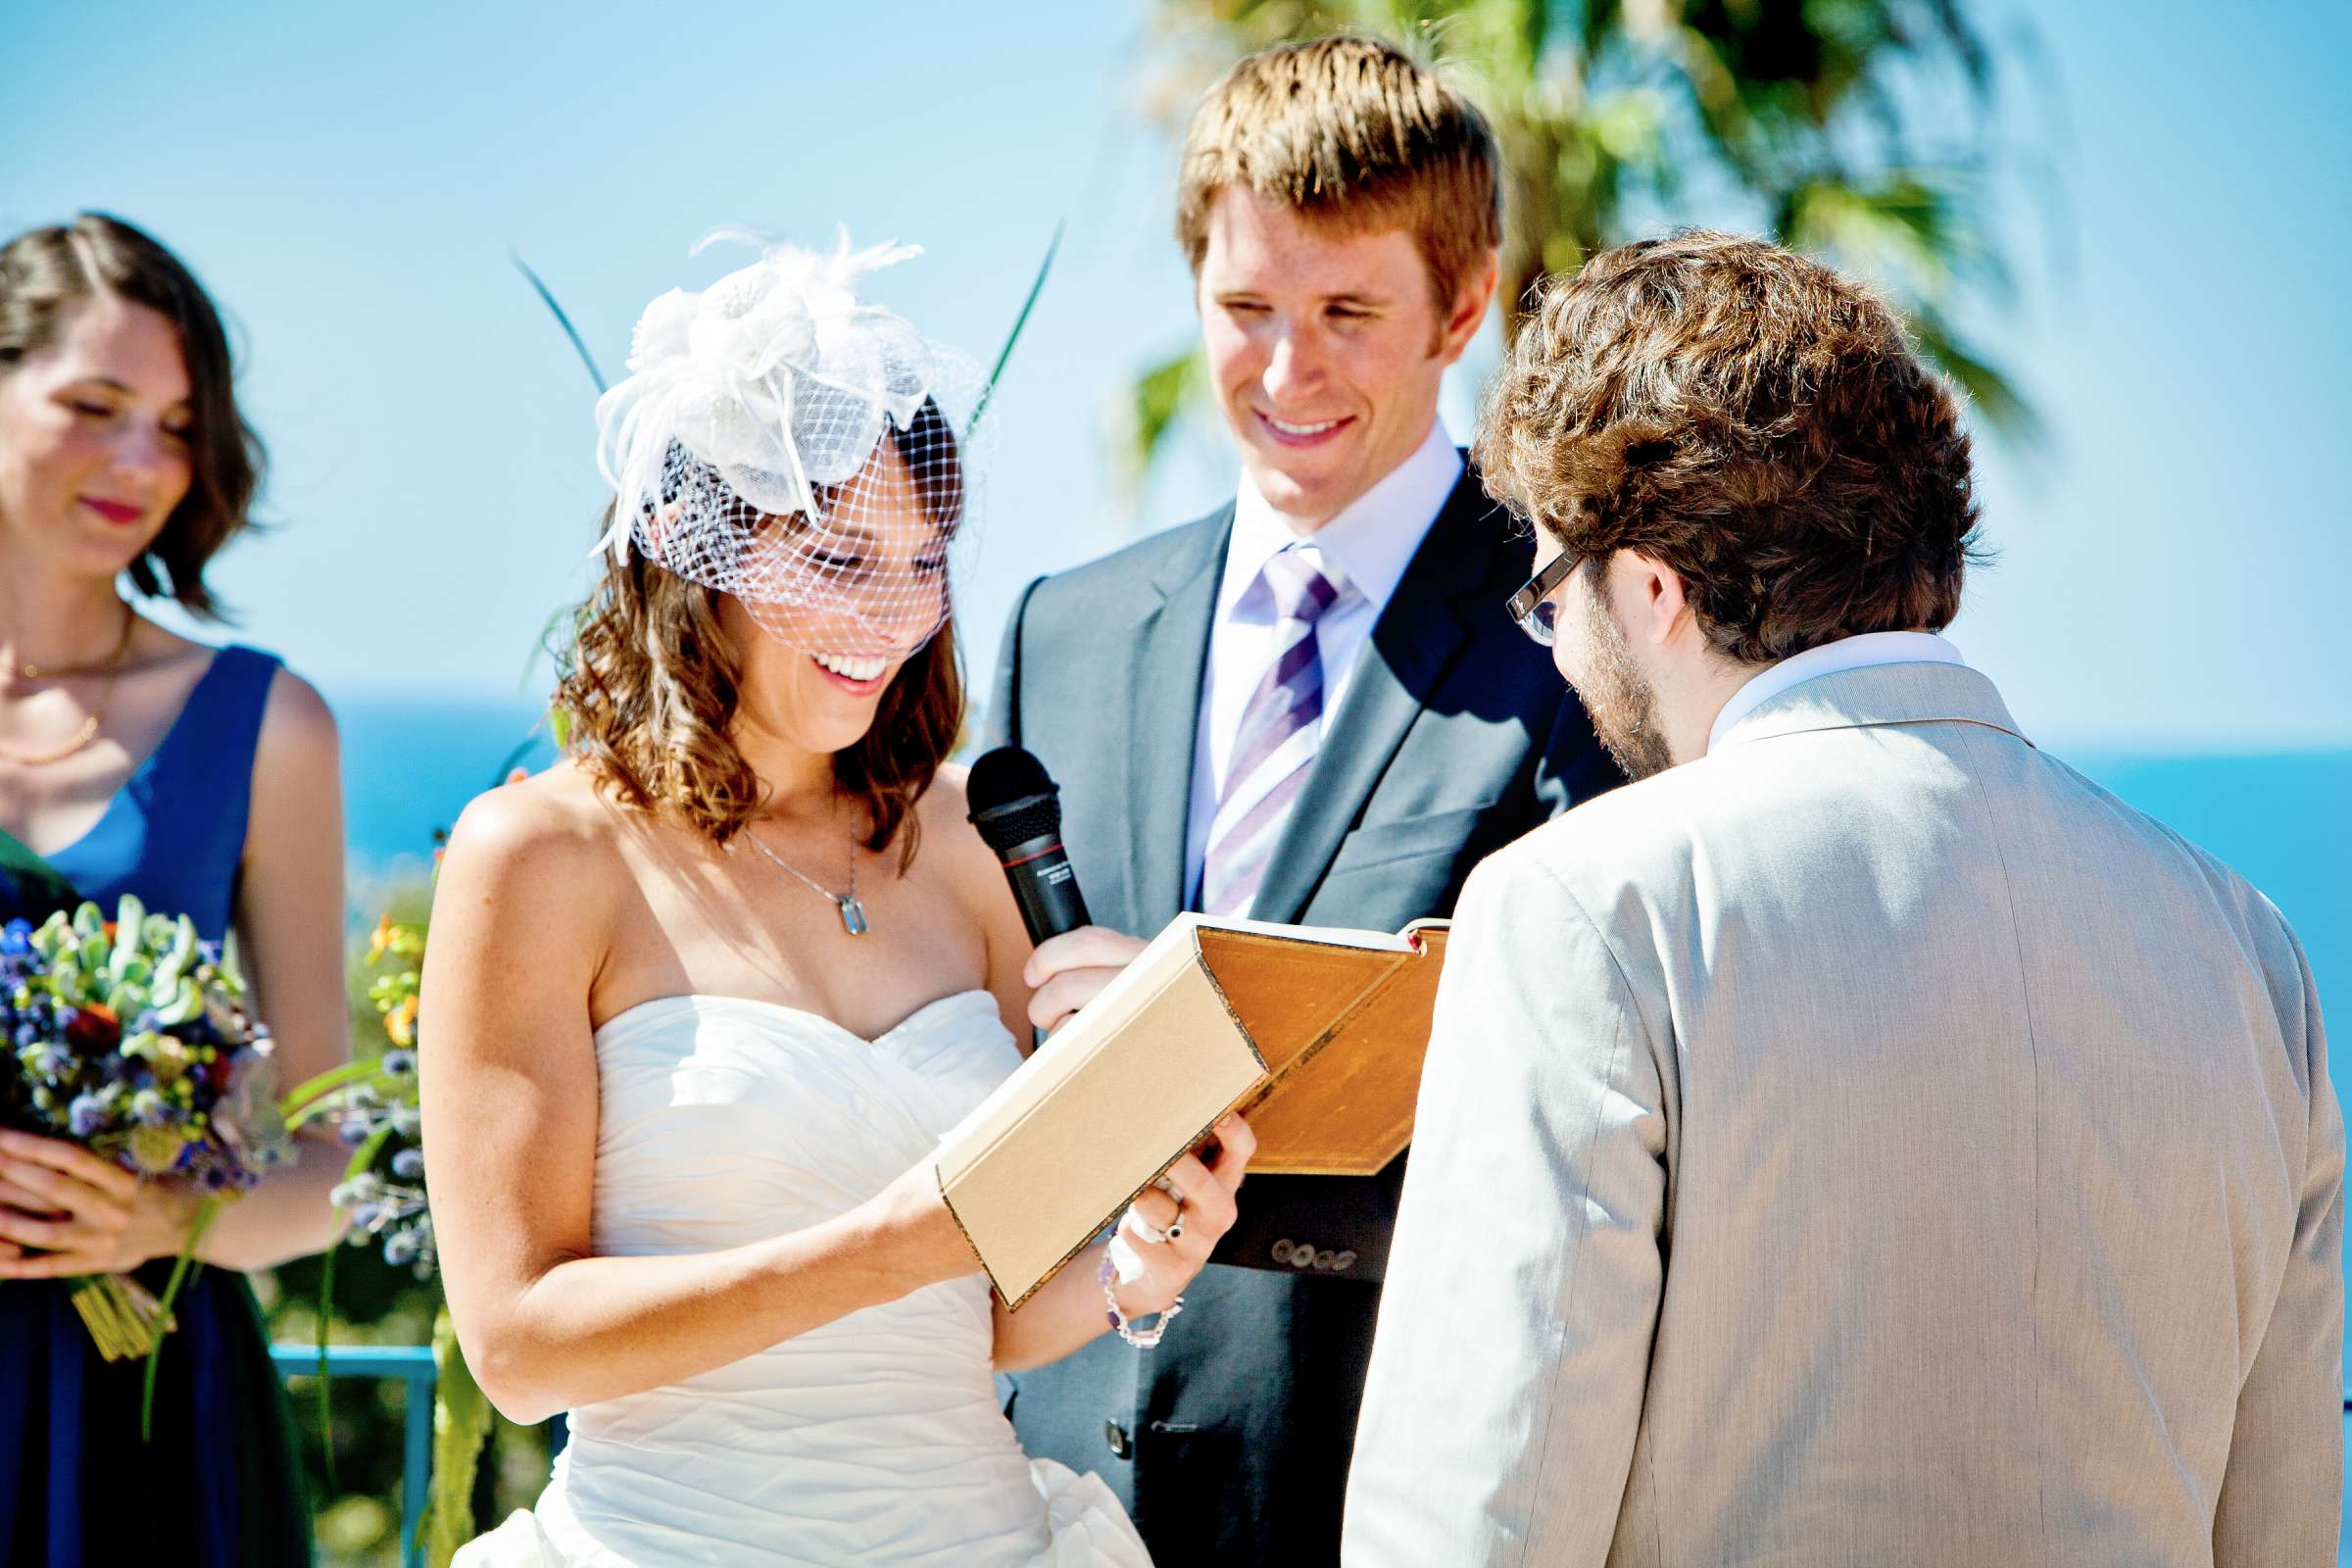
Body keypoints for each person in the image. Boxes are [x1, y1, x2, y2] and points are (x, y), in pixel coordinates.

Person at [1343, 229, 2343, 1566]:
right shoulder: (2242, 945)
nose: (1557, 646)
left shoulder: (1585, 912)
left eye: (1546, 596)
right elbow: (2281, 1526)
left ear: (1648, 589)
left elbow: (1480, 1520)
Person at [422, 230, 1252, 1567]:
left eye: (923, 561)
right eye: (838, 561)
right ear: (704, 558)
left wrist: (1136, 1267)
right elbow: (519, 1347)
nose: (892, 614)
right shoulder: (538, 856)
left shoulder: (969, 840)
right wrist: (887, 1244)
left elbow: (984, 1314)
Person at [989, 34, 1620, 1565]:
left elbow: (1597, 1099)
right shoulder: (1055, 629)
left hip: (1376, 1482)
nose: (1285, 372)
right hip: (1032, 1482)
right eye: (1245, 311)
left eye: (1346, 313)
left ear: (1463, 308)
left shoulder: (1583, 642)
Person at [0, 213, 351, 1565]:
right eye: (95, 408)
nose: (142, 462)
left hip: (152, 1426)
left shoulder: (270, 727)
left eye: (178, 424)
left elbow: (325, 1157)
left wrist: (168, 1215)